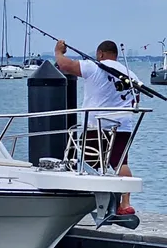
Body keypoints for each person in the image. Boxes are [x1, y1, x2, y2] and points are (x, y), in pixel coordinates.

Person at [54, 39, 140, 214]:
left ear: (100, 54)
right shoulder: (131, 75)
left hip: (97, 125)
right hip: (123, 125)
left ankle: (87, 203)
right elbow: (136, 100)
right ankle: (125, 204)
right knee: (120, 163)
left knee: (86, 163)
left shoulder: (94, 67)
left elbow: (65, 66)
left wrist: (58, 52)